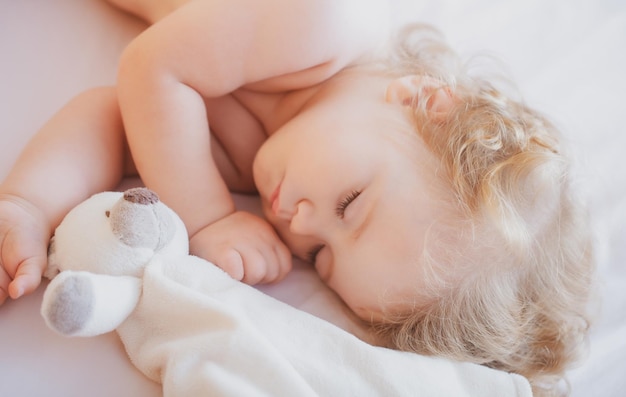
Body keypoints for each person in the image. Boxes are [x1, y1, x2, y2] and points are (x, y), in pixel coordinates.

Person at [0, 0, 593, 395]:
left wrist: (28, 205)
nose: (296, 222)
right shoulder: (325, 24)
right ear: (423, 102)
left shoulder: (265, 152)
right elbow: (152, 67)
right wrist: (208, 217)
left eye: (319, 258)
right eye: (349, 204)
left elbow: (114, 116)